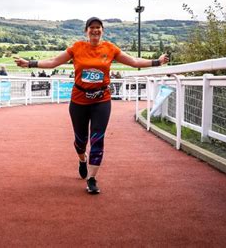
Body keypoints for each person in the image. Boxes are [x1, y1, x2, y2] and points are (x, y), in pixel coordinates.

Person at [15, 17, 168, 194]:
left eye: (98, 27)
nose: (95, 30)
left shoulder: (110, 48)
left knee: (97, 138)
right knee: (80, 141)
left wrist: (157, 62)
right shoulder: (77, 47)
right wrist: (29, 63)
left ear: (102, 30)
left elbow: (133, 62)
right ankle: (82, 159)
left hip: (101, 100)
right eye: (91, 27)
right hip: (79, 101)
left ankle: (92, 178)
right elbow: (53, 62)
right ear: (86, 31)